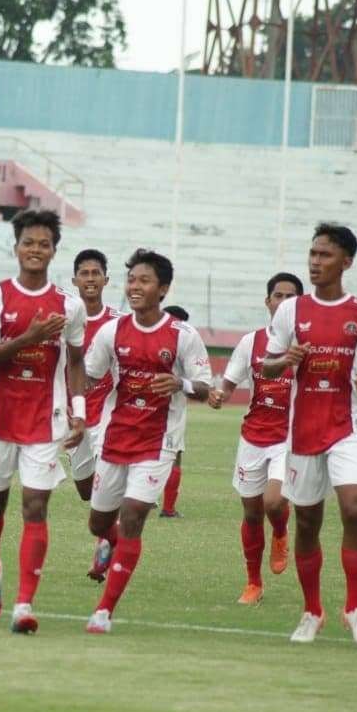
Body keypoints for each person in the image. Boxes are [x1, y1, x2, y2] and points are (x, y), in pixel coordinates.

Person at [263, 223, 357, 648]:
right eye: (313, 254)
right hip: (303, 430)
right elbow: (267, 368)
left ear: (347, 261)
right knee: (307, 520)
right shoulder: (291, 311)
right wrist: (287, 358)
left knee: (353, 509)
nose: (315, 262)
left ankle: (354, 607)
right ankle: (312, 611)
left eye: (324, 255)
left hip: (349, 425)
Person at [82, 249, 212, 634]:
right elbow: (88, 376)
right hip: (115, 437)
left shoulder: (183, 336)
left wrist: (181, 383)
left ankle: (104, 611)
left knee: (135, 512)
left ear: (164, 289)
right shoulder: (112, 331)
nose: (135, 287)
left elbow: (207, 388)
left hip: (158, 443)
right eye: (132, 280)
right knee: (99, 522)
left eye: (144, 281)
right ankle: (109, 542)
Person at [0, 210, 88, 633]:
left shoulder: (69, 306)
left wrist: (80, 410)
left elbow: (76, 362)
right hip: (0, 417)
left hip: (46, 420)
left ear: (54, 251)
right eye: (28, 243)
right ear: (16, 247)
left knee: (36, 505)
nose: (35, 250)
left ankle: (23, 605)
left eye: (44, 244)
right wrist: (28, 338)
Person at [208, 272, 303, 605]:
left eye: (291, 297)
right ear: (268, 301)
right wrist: (218, 395)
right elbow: (229, 384)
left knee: (273, 503)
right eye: (278, 295)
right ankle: (253, 583)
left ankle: (279, 530)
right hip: (253, 436)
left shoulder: (307, 345)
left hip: (289, 438)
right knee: (250, 513)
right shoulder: (251, 342)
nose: (283, 302)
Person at [68, 249, 124, 583]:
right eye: (84, 273)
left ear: (106, 279)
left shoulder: (118, 322)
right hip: (73, 415)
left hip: (107, 415)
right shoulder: (64, 319)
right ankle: (112, 531)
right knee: (86, 490)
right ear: (74, 280)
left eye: (95, 273)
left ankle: (106, 545)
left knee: (105, 487)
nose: (90, 279)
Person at [157, 304, 190, 518]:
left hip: (142, 407)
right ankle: (168, 508)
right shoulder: (184, 344)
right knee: (174, 455)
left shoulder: (149, 339)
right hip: (171, 409)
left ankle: (144, 497)